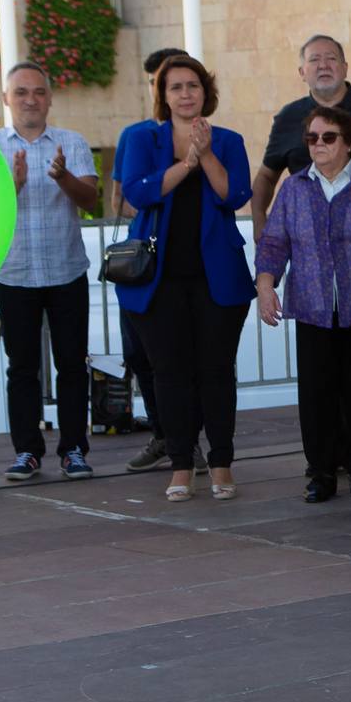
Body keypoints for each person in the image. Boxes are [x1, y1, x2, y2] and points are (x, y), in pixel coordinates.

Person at [114, 54, 257, 503]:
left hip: (217, 279)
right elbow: (137, 192)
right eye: (175, 87)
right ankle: (180, 464)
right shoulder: (139, 137)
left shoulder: (229, 140)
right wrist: (185, 163)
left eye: (192, 85)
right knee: (169, 373)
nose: (185, 94)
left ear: (205, 91)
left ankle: (221, 462)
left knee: (216, 371)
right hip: (158, 280)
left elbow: (234, 195)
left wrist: (207, 153)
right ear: (163, 95)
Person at [254, 104, 351, 503]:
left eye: (328, 137)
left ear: (348, 142)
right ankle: (321, 473)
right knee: (316, 395)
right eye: (312, 138)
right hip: (311, 305)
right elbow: (275, 241)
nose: (319, 145)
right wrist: (265, 285)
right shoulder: (294, 188)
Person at [0, 63, 101, 483]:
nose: (30, 99)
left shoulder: (71, 143)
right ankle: (26, 452)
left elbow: (91, 200)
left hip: (66, 270)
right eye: (21, 92)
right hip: (15, 274)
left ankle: (73, 448)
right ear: (6, 99)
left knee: (72, 364)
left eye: (38, 92)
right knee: (22, 367)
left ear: (50, 98)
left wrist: (64, 177)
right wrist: (12, 187)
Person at [251, 34, 351, 226]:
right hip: (309, 237)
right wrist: (259, 221)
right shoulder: (288, 117)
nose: (323, 65)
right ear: (302, 72)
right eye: (314, 60)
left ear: (345, 68)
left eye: (331, 58)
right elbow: (266, 176)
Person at [120, 45, 186, 474]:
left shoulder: (202, 135)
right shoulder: (135, 135)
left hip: (188, 263)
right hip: (143, 263)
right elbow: (124, 202)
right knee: (142, 356)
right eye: (156, 82)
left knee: (190, 358)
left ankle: (189, 441)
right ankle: (164, 435)